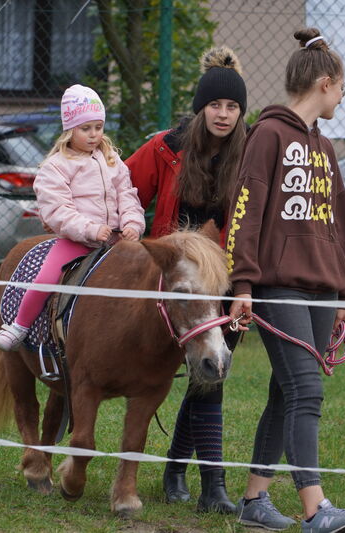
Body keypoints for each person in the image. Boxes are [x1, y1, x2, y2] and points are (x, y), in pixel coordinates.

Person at [225, 29, 345, 532]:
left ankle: (253, 502)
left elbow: (340, 223)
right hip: (277, 285)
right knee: (306, 389)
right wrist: (243, 285)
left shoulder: (324, 147)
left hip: (322, 289)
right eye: (342, 89)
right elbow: (244, 213)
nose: (341, 99)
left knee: (285, 393)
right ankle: (316, 510)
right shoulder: (267, 135)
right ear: (325, 84)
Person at [125, 46, 247, 514]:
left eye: (232, 106)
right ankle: (207, 486)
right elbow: (126, 189)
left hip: (227, 285)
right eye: (215, 105)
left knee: (208, 375)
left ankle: (182, 471)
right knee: (205, 379)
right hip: (175, 286)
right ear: (201, 106)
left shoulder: (250, 151)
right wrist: (130, 234)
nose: (223, 114)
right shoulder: (166, 146)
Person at [0, 84, 145, 351]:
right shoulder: (56, 167)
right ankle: (19, 326)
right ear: (69, 129)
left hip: (117, 241)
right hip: (77, 241)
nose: (94, 134)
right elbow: (57, 211)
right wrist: (90, 230)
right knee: (47, 275)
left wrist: (132, 223)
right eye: (86, 128)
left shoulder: (112, 160)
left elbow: (127, 195)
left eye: (98, 127)